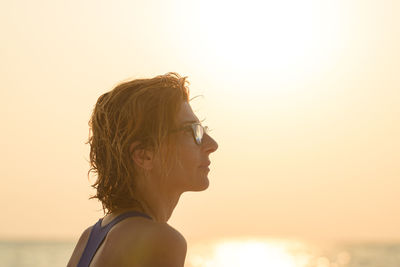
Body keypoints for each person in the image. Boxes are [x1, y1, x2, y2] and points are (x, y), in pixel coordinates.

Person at [67, 73, 218, 267]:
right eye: (194, 132)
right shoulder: (160, 241)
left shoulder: (89, 239)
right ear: (145, 155)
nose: (212, 144)